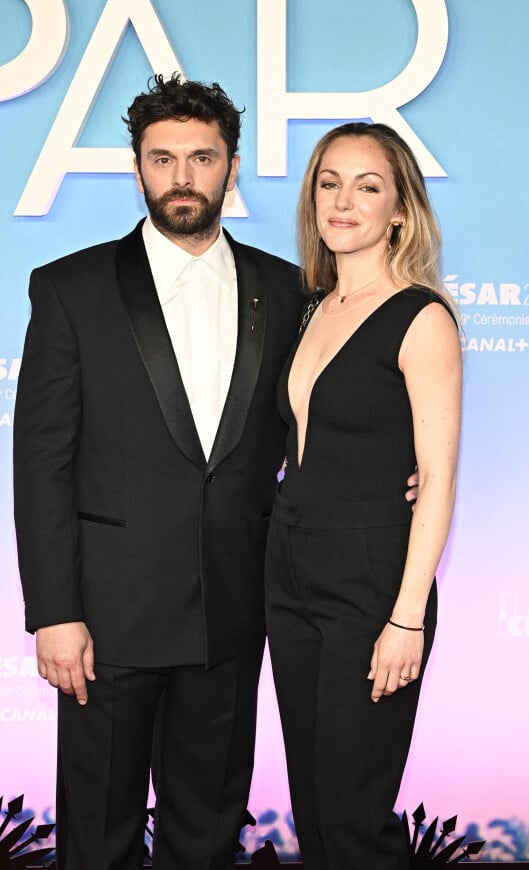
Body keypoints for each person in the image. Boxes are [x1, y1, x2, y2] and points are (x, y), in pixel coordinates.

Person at [12, 74, 305, 870]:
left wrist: (388, 480)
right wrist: (54, 613)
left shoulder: (286, 291)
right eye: (163, 158)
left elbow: (314, 430)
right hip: (105, 624)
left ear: (231, 168)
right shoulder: (70, 288)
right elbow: (41, 462)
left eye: (202, 157)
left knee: (207, 837)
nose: (183, 176)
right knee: (98, 838)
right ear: (136, 167)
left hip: (232, 615)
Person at [264, 122, 462, 870]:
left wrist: (406, 617)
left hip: (372, 578)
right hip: (288, 569)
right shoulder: (310, 308)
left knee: (352, 817)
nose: (343, 201)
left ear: (400, 209)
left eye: (367, 186)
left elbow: (438, 477)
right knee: (316, 811)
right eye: (328, 182)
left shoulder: (422, 317)